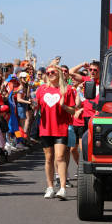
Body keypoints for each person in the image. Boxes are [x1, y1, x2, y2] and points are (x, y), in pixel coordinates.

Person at [35, 65, 75, 200]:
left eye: (53, 72)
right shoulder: (41, 90)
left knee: (60, 157)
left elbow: (73, 111)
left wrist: (63, 106)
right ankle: (50, 187)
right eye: (48, 72)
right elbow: (37, 107)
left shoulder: (67, 90)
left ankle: (63, 188)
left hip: (61, 127)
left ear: (59, 74)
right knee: (48, 158)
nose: (50, 74)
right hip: (46, 128)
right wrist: (33, 105)